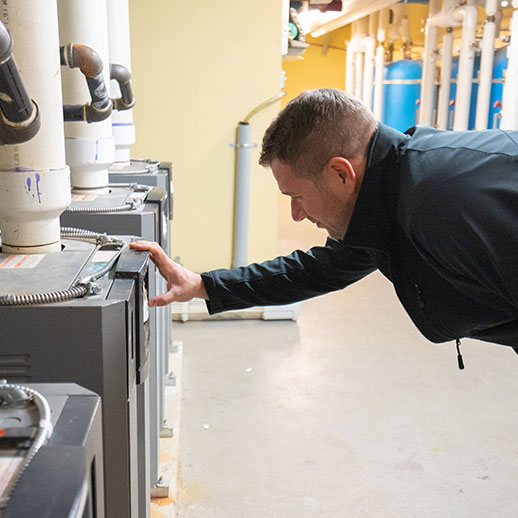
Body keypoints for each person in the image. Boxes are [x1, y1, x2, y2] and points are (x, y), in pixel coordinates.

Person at [130, 88, 518, 362]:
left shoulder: (444, 203)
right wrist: (203, 286)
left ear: (340, 173)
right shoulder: (389, 195)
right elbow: (316, 270)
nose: (297, 214)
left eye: (296, 196)